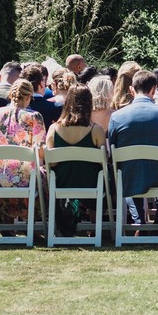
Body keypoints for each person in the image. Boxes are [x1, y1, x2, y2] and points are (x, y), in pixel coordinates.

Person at [107, 70, 158, 223]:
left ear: (132, 89)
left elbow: (112, 148)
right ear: (154, 89)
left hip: (129, 176)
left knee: (126, 171)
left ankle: (139, 221)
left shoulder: (117, 116)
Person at [0, 77, 46, 226]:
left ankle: (7, 223)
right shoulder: (34, 117)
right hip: (26, 178)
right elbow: (41, 152)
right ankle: (33, 223)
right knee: (45, 177)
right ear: (29, 97)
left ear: (11, 94)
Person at [44, 84, 107, 235]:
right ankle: (95, 226)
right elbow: (102, 162)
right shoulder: (96, 130)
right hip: (91, 184)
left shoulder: (53, 129)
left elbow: (52, 162)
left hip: (63, 183)